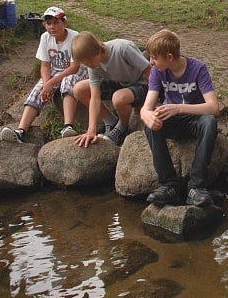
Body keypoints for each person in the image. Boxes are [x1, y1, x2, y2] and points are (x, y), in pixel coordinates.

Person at [140, 29, 220, 207]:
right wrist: (147, 115)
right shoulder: (157, 72)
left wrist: (179, 108)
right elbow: (146, 107)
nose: (150, 62)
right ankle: (168, 185)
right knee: (150, 125)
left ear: (169, 57)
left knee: (209, 122)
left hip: (194, 119)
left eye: (154, 57)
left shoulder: (198, 68)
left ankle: (196, 187)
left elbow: (213, 107)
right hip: (172, 121)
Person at [0, 7, 87, 143]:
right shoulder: (45, 38)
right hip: (55, 70)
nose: (52, 27)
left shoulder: (74, 37)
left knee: (68, 82)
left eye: (56, 23)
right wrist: (46, 84)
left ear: (64, 23)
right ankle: (21, 131)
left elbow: (74, 67)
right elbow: (45, 65)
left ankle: (68, 126)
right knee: (38, 90)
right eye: (48, 23)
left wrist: (51, 83)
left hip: (77, 69)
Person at [71, 31, 150, 147]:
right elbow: (95, 97)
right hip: (120, 83)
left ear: (97, 50)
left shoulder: (122, 48)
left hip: (141, 83)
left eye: (89, 61)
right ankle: (110, 120)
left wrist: (153, 98)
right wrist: (91, 130)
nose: (88, 65)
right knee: (79, 89)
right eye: (85, 63)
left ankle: (122, 126)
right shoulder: (92, 66)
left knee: (118, 98)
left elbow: (149, 69)